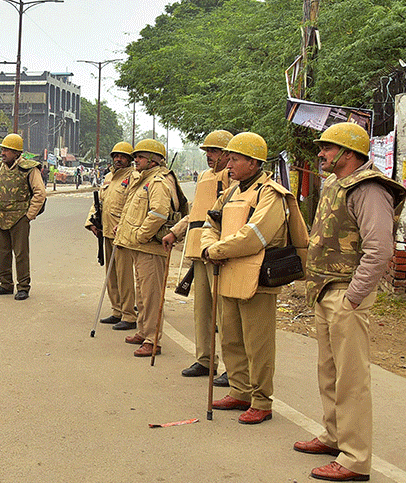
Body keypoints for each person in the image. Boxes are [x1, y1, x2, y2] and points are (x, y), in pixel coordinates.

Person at [292, 123, 404, 482]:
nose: (321, 154)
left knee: (351, 378)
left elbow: (380, 249)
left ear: (348, 153)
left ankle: (355, 458)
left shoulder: (368, 188)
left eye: (327, 149)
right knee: (329, 372)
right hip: (327, 291)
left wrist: (354, 296)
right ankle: (334, 436)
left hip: (345, 294)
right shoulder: (335, 185)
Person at [201, 132, 303, 425]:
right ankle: (240, 391)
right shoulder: (231, 192)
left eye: (233, 159)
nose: (228, 164)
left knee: (258, 344)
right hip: (229, 272)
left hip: (258, 277)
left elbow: (254, 237)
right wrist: (210, 246)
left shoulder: (270, 193)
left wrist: (216, 249)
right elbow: (211, 223)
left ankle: (261, 401)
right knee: (231, 338)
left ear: (253, 162)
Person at [162, 130, 233, 379]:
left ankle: (232, 367)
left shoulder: (232, 179)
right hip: (197, 249)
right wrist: (175, 232)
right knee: (202, 310)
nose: (209, 156)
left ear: (227, 153)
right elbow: (194, 213)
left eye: (214, 151)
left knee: (224, 313)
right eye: (207, 152)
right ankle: (205, 359)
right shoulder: (204, 177)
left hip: (219, 251)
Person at [112, 139, 180, 357]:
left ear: (153, 159)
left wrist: (141, 235)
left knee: (151, 295)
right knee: (142, 292)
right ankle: (143, 331)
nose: (136, 160)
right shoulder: (143, 179)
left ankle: (152, 340)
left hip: (150, 247)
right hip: (140, 247)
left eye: (140, 157)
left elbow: (159, 213)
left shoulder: (158, 181)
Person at [0, 133, 47, 301]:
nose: (3, 153)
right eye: (2, 149)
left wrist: (29, 215)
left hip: (19, 218)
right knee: (2, 252)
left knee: (21, 253)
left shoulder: (29, 168)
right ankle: (5, 284)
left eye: (7, 150)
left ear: (16, 153)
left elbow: (40, 193)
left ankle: (23, 287)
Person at [86, 142, 137, 330]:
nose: (118, 159)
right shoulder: (108, 177)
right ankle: (117, 310)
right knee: (111, 274)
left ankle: (129, 315)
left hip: (123, 234)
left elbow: (134, 205)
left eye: (123, 156)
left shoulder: (133, 178)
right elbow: (99, 202)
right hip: (106, 232)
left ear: (130, 159)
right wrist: (92, 222)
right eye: (116, 156)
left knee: (124, 276)